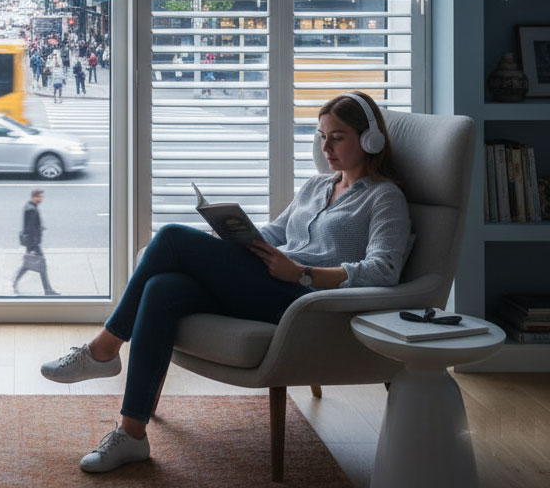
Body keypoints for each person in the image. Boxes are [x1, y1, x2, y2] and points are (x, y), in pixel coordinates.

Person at [39, 90, 411, 473]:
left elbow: (383, 269)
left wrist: (302, 273)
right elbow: (277, 232)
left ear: (370, 140)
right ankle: (132, 434)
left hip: (304, 302)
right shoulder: (317, 186)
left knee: (170, 237)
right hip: (267, 282)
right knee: (161, 289)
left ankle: (103, 349)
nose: (326, 147)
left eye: (337, 137)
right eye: (321, 136)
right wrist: (232, 235)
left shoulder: (385, 198)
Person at [12, 188, 59, 296]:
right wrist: (34, 246)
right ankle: (48, 290)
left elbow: (30, 227)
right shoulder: (32, 210)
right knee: (41, 266)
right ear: (34, 197)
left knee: (28, 264)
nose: (41, 199)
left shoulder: (29, 206)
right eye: (40, 196)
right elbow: (30, 228)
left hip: (32, 242)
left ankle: (15, 282)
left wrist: (39, 228)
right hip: (34, 243)